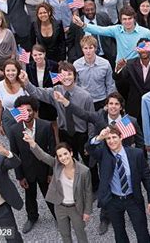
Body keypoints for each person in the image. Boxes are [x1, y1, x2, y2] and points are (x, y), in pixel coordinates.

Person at [55, 90, 144, 235]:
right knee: (107, 187)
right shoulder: (99, 118)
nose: (113, 107)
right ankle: (105, 217)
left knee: (130, 187)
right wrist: (65, 102)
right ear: (107, 106)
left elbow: (140, 141)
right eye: (110, 104)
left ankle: (132, 211)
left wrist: (138, 161)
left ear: (121, 107)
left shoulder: (130, 121)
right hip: (106, 161)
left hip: (126, 161)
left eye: (116, 104)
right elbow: (82, 113)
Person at [20, 61, 99, 192]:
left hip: (82, 134)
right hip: (65, 133)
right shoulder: (56, 92)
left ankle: (95, 186)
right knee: (69, 162)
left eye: (69, 74)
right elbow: (37, 93)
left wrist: (90, 141)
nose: (66, 78)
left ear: (74, 76)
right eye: (63, 75)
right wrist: (27, 82)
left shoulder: (85, 96)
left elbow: (91, 120)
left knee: (90, 162)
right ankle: (75, 186)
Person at [86, 125, 150, 242]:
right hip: (113, 200)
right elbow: (89, 148)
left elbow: (147, 177)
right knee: (119, 233)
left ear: (121, 137)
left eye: (114, 137)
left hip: (133, 199)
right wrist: (99, 137)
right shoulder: (103, 154)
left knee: (142, 231)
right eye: (108, 139)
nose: (111, 141)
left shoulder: (136, 154)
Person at [23, 137, 92, 243]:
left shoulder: (84, 171)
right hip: (60, 207)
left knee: (81, 234)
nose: (63, 158)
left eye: (65, 154)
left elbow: (88, 192)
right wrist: (32, 143)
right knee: (65, 235)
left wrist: (87, 211)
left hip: (76, 208)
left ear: (71, 153)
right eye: (60, 156)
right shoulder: (57, 165)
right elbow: (42, 155)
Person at [9, 96, 56, 234]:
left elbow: (52, 149)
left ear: (34, 110)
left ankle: (58, 216)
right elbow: (14, 155)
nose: (27, 113)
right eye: (23, 111)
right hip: (27, 171)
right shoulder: (14, 130)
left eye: (29, 110)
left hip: (44, 169)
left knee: (50, 194)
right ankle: (32, 217)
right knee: (30, 196)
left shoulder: (46, 126)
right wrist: (19, 176)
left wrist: (51, 172)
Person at [72, 5, 150, 64]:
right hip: (121, 66)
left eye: (130, 19)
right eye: (124, 19)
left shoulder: (145, 32)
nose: (127, 21)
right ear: (120, 20)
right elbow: (100, 30)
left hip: (138, 67)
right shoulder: (117, 29)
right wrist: (83, 25)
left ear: (134, 18)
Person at [114, 39, 150, 125]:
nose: (144, 50)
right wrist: (118, 70)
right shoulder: (130, 65)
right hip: (134, 108)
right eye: (141, 48)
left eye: (146, 47)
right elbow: (120, 83)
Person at [68, 0, 117, 68]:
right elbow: (70, 43)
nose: (90, 12)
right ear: (82, 10)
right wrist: (73, 57)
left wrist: (114, 51)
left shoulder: (104, 17)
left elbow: (113, 35)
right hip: (85, 59)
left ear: (96, 8)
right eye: (87, 10)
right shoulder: (76, 24)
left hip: (106, 56)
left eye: (92, 9)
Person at [73, 35, 116, 110]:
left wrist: (109, 102)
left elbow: (110, 85)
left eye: (91, 48)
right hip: (84, 101)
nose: (88, 51)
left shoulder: (105, 64)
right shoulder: (76, 65)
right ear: (82, 49)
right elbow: (75, 85)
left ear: (95, 48)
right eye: (85, 48)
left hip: (101, 100)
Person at [25, 44, 59, 141]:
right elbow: (29, 84)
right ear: (32, 56)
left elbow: (57, 83)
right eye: (35, 55)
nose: (37, 57)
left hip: (49, 97)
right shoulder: (29, 66)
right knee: (40, 123)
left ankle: (57, 142)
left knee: (53, 123)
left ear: (44, 54)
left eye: (40, 54)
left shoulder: (53, 65)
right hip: (36, 98)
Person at [0, 59, 26, 141]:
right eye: (8, 70)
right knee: (13, 143)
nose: (10, 73)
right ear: (4, 72)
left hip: (24, 118)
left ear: (18, 71)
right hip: (8, 119)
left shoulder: (24, 83)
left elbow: (33, 104)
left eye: (13, 70)